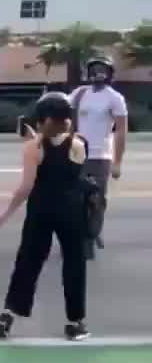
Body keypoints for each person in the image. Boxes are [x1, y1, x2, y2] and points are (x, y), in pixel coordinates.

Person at [0, 92, 91, 341]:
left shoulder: (33, 147)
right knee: (74, 264)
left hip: (41, 210)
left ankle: (8, 315)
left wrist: (6, 211)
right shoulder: (79, 144)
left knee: (28, 262)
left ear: (44, 118)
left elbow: (26, 187)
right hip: (72, 210)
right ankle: (75, 322)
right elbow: (72, 173)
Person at [68, 55, 127, 259]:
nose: (97, 73)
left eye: (102, 69)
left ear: (110, 74)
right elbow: (65, 118)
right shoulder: (79, 93)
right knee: (74, 199)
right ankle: (77, 236)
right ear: (88, 73)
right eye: (94, 70)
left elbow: (121, 131)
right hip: (77, 154)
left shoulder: (115, 98)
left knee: (96, 199)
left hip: (101, 156)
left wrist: (118, 162)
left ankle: (92, 234)